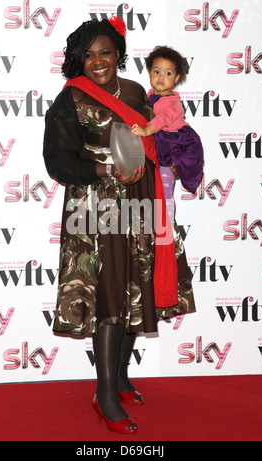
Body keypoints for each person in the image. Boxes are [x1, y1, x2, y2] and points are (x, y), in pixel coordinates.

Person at [43, 19, 196, 435]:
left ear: (118, 54)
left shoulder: (136, 92)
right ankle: (105, 395)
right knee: (110, 294)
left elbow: (158, 137)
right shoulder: (70, 100)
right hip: (97, 208)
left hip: (142, 198)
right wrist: (103, 167)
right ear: (78, 59)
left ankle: (122, 376)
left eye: (105, 52)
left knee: (136, 286)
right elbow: (56, 162)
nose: (98, 61)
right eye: (88, 54)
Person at [132, 46, 204, 225]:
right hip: (162, 142)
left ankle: (167, 225)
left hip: (175, 144)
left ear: (177, 78)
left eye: (168, 73)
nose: (161, 77)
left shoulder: (171, 102)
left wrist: (146, 130)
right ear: (149, 73)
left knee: (165, 190)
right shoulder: (150, 94)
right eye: (156, 71)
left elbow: (161, 119)